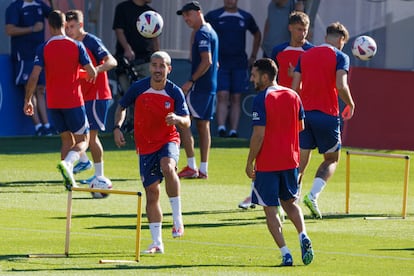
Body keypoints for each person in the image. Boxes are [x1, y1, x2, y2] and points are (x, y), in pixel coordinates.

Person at [113, 51, 190, 254]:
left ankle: (177, 218)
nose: (157, 69)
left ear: (169, 69)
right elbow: (121, 107)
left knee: (167, 166)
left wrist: (178, 119)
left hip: (168, 140)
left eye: (161, 66)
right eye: (154, 65)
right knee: (152, 193)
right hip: (145, 145)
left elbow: (187, 120)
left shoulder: (174, 92)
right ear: (150, 67)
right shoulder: (139, 87)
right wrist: (117, 127)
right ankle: (157, 242)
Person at [239, 10, 312, 209]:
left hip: (296, 107)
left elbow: (313, 82)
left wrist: (300, 79)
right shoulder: (278, 51)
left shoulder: (311, 52)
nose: (302, 33)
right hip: (274, 104)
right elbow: (268, 73)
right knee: (268, 149)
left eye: (305, 30)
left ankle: (293, 194)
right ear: (290, 28)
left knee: (298, 152)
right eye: (299, 29)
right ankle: (258, 193)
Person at [245, 58, 313, 266]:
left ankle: (286, 253)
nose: (252, 79)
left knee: (270, 209)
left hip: (268, 162)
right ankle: (303, 235)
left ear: (265, 77)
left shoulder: (261, 98)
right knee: (291, 204)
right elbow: (300, 126)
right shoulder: (293, 95)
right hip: (290, 160)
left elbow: (259, 135)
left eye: (255, 75)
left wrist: (249, 162)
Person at [23, 10, 97, 189]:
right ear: (64, 24)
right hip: (73, 101)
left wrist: (27, 100)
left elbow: (33, 77)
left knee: (66, 140)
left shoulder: (44, 47)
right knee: (83, 141)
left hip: (53, 102)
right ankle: (69, 164)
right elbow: (91, 72)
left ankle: (69, 180)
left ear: (49, 26)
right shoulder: (76, 46)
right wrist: (79, 73)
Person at [291, 22, 355, 219]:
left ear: (326, 37)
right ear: (341, 40)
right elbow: (341, 85)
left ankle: (288, 200)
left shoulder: (305, 55)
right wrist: (351, 104)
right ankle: (313, 196)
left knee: (300, 161)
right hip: (327, 115)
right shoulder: (340, 56)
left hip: (304, 114)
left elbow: (294, 88)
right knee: (331, 159)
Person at [65, 10, 118, 183]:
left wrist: (96, 70)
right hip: (81, 96)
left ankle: (99, 175)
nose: (69, 30)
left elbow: (112, 61)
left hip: (96, 95)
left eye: (72, 26)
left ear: (81, 25)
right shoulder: (70, 44)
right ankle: (84, 161)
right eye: (66, 27)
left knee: (91, 137)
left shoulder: (91, 41)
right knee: (75, 133)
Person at [205, 0, 261, 138]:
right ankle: (221, 128)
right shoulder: (214, 15)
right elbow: (200, 30)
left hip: (239, 63)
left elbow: (257, 33)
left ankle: (233, 130)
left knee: (236, 97)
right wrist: (206, 54)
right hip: (221, 62)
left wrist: (253, 55)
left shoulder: (245, 16)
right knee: (222, 95)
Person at [176, 1, 219, 179]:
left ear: (198, 12)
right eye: (184, 15)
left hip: (200, 87)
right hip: (210, 85)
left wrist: (191, 81)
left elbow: (207, 61)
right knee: (203, 126)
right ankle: (203, 168)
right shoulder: (210, 31)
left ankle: (192, 166)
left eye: (188, 14)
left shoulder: (202, 32)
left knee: (183, 121)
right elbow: (214, 62)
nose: (186, 18)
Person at [5, 0, 54, 136]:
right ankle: (38, 126)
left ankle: (47, 125)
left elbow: (55, 17)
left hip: (39, 54)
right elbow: (9, 29)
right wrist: (32, 28)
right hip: (23, 55)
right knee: (29, 89)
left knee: (40, 89)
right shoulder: (15, 7)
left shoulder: (39, 4)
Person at [112, 0, 160, 133]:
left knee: (147, 93)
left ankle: (145, 124)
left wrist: (158, 58)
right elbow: (119, 30)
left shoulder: (152, 13)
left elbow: (155, 37)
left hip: (146, 60)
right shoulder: (123, 8)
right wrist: (127, 49)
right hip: (126, 61)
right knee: (126, 94)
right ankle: (126, 124)